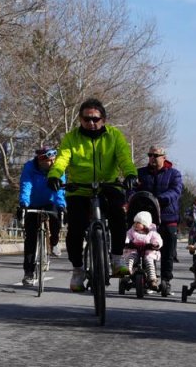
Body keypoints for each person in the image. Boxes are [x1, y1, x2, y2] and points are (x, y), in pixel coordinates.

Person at [46, 98, 138, 293]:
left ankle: (116, 259)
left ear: (103, 119)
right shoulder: (71, 138)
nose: (91, 123)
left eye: (96, 119)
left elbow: (124, 158)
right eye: (87, 119)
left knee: (118, 216)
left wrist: (130, 174)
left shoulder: (114, 136)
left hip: (108, 185)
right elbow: (62, 160)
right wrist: (54, 175)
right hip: (79, 188)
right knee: (75, 230)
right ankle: (78, 270)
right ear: (80, 119)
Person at [134, 145, 183, 290]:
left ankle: (166, 280)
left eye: (155, 155)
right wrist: (134, 199)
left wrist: (158, 199)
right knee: (146, 249)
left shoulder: (174, 174)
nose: (152, 158)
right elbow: (132, 189)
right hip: (146, 218)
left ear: (164, 157)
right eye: (149, 155)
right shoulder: (141, 173)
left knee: (167, 251)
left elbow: (175, 191)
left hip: (168, 217)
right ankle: (149, 277)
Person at [19, 147, 66, 286]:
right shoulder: (29, 167)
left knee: (56, 218)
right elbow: (26, 185)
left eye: (53, 160)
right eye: (48, 161)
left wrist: (61, 205)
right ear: (40, 161)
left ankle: (54, 242)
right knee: (30, 238)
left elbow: (60, 190)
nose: (52, 163)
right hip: (32, 203)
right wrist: (24, 203)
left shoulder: (58, 168)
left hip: (51, 202)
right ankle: (28, 272)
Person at [121, 211, 164, 288]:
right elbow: (127, 236)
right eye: (135, 222)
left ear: (145, 224)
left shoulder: (152, 231)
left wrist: (156, 244)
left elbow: (157, 238)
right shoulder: (132, 230)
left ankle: (152, 279)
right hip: (134, 250)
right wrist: (126, 242)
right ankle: (126, 275)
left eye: (138, 223)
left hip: (147, 251)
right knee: (130, 259)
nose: (135, 224)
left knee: (149, 261)